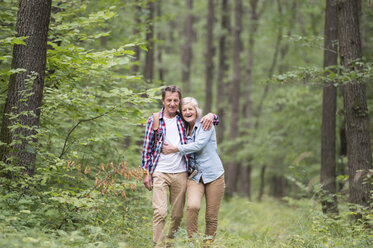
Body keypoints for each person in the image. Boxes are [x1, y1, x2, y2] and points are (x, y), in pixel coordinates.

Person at [141, 86, 218, 247]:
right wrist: (146, 173)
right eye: (169, 100)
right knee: (160, 212)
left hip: (181, 173)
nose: (172, 103)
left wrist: (212, 115)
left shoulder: (182, 118)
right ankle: (159, 245)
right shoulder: (154, 120)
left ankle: (169, 242)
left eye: (175, 100)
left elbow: (204, 119)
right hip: (160, 172)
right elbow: (147, 148)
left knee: (177, 216)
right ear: (163, 101)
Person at [162, 97, 225, 243]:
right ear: (181, 112)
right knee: (192, 206)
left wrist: (175, 149)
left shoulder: (205, 124)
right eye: (184, 110)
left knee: (211, 216)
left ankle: (207, 245)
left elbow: (199, 145)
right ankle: (192, 243)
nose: (187, 112)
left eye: (190, 109)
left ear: (196, 111)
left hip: (214, 174)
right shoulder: (182, 127)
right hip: (194, 176)